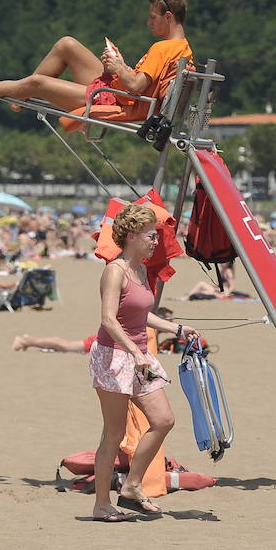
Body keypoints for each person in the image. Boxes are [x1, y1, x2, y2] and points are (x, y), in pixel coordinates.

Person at [88, 203, 196, 522]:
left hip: (138, 356)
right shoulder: (115, 270)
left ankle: (132, 486)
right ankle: (101, 504)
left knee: (163, 420)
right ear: (133, 236)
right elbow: (109, 319)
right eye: (151, 236)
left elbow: (140, 315)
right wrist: (133, 352)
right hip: (113, 357)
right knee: (114, 432)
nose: (155, 242)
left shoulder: (141, 270)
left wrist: (176, 328)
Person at [0, 0, 193, 115]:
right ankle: (19, 95)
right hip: (123, 94)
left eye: (153, 18)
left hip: (117, 100)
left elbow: (135, 85)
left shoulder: (163, 48)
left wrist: (118, 67)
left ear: (168, 17)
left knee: (37, 82)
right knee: (67, 44)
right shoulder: (183, 49)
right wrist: (116, 67)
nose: (149, 23)